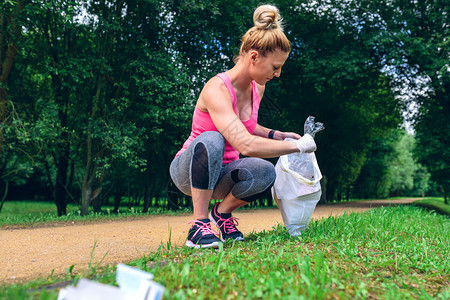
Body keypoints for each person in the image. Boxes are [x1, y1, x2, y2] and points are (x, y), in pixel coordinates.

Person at [169, 4, 317, 248]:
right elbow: (244, 143)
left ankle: (222, 214)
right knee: (213, 139)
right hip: (190, 171)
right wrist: (298, 147)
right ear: (254, 57)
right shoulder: (216, 89)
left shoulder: (257, 86)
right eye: (275, 67)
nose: (278, 74)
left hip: (225, 173)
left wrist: (276, 135)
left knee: (265, 171)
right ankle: (198, 226)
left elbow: (246, 126)